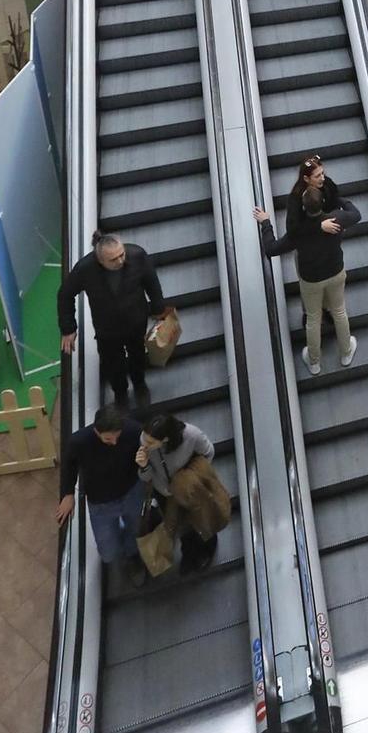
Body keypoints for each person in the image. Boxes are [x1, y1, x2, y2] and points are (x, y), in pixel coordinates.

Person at [254, 155, 362, 374]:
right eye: (318, 175)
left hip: (311, 275)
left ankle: (314, 362)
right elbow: (355, 215)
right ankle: (345, 353)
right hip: (334, 269)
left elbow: (273, 248)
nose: (323, 178)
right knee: (340, 311)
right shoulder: (335, 220)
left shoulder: (299, 233)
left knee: (313, 319)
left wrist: (266, 222)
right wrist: (337, 208)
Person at [58, 229, 171, 410]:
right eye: (113, 259)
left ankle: (140, 385)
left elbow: (152, 283)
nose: (120, 261)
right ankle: (120, 394)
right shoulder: (85, 269)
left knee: (138, 355)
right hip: (107, 329)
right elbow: (65, 295)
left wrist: (158, 309)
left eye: (121, 255)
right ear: (100, 259)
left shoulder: (137, 255)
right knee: (112, 363)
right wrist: (68, 328)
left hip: (136, 321)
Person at [56, 404, 146, 581]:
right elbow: (69, 465)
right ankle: (119, 555)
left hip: (132, 492)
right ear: (97, 431)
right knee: (108, 550)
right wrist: (68, 493)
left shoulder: (134, 431)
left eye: (117, 438)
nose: (114, 443)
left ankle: (133, 557)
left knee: (135, 530)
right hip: (100, 503)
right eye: (108, 440)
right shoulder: (79, 442)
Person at [136, 413, 229, 573]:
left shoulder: (191, 435)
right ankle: (190, 552)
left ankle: (207, 545)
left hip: (190, 489)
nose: (145, 443)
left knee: (201, 518)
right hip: (166, 494)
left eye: (150, 442)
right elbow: (147, 477)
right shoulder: (146, 444)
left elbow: (208, 452)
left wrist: (190, 476)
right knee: (181, 526)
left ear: (165, 439)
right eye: (144, 438)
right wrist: (143, 466)